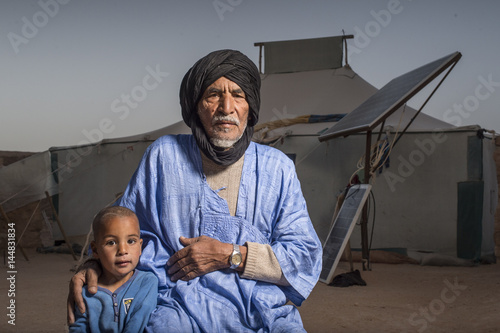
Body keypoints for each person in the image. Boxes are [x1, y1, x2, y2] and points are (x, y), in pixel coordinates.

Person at [68, 49, 322, 332]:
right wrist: (93, 265)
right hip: (178, 308)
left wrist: (230, 254)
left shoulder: (277, 168)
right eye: (213, 95)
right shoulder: (164, 156)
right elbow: (120, 229)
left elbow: (304, 256)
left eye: (238, 95)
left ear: (250, 106)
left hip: (260, 310)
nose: (227, 107)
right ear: (196, 106)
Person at [69, 206, 158, 332]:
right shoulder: (85, 292)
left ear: (140, 247)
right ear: (95, 250)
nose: (123, 250)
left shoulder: (147, 282)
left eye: (131, 241)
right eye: (111, 242)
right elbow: (78, 328)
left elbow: (138, 322)